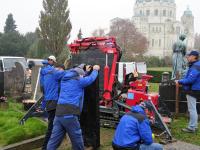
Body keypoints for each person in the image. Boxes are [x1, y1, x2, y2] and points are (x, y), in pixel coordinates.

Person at [47, 64, 100, 150]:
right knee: (77, 140)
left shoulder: (65, 78)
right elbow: (90, 79)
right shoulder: (80, 81)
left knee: (53, 141)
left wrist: (85, 71)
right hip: (70, 114)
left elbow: (79, 77)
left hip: (59, 113)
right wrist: (95, 70)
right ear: (80, 75)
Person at [40, 55, 65, 150]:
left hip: (48, 100)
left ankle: (51, 145)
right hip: (54, 101)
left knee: (55, 124)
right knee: (52, 127)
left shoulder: (44, 71)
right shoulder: (55, 72)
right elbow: (65, 74)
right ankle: (45, 147)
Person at [177, 50, 200, 133]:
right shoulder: (196, 65)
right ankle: (194, 125)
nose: (188, 57)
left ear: (194, 57)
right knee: (194, 108)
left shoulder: (196, 66)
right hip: (195, 89)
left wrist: (179, 81)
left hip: (192, 90)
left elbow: (190, 80)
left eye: (189, 56)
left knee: (192, 109)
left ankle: (191, 127)